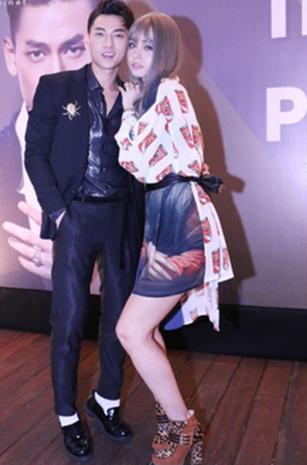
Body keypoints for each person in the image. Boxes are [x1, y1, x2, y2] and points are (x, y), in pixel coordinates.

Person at [24, 0, 143, 461]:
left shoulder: (140, 94)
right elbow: (36, 153)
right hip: (73, 217)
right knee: (70, 319)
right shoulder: (57, 88)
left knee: (120, 320)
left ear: (128, 41)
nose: (109, 44)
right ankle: (66, 414)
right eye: (101, 33)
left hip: (121, 219)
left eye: (119, 35)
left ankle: (106, 401)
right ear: (89, 37)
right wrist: (57, 212)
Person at [113, 12, 233, 465]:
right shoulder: (152, 95)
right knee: (147, 330)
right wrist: (131, 109)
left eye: (148, 46)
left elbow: (140, 161)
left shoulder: (169, 91)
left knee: (130, 330)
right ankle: (175, 421)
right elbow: (137, 162)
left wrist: (129, 112)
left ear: (164, 52)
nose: (136, 54)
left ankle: (183, 426)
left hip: (181, 219)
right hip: (164, 217)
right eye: (133, 44)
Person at [0, 0, 95, 289]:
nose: (58, 76)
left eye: (74, 49)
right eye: (37, 53)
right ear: (11, 57)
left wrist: (94, 278)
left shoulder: (153, 158)